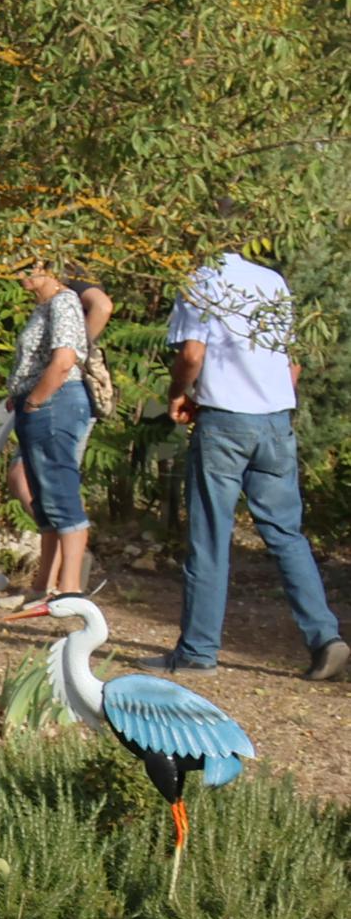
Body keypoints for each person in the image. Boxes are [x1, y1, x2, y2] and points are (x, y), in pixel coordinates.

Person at [163, 248, 348, 680]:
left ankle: (197, 652)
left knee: (210, 534)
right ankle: (325, 638)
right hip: (276, 421)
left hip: (225, 422)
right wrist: (272, 399)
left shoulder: (200, 279)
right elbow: (292, 360)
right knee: (286, 534)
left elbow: (192, 354)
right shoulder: (272, 281)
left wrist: (178, 392)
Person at [2, 265, 96, 612]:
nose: (18, 273)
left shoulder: (64, 302)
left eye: (28, 267)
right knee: (44, 496)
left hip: (57, 404)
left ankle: (69, 590)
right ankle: (44, 589)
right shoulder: (44, 307)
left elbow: (64, 360)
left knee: (60, 490)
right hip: (39, 404)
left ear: (50, 268)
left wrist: (36, 399)